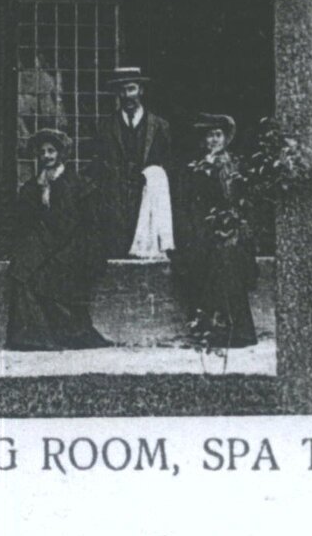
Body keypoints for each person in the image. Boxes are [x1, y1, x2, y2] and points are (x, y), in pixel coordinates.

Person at [5, 128, 111, 351]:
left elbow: (87, 225)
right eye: (42, 152)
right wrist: (39, 191)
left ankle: (72, 333)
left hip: (72, 246)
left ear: (61, 154)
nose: (47, 156)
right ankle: (31, 337)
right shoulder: (33, 185)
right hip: (46, 243)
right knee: (21, 270)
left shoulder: (78, 184)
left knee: (48, 274)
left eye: (51, 151)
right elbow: (25, 220)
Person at [171, 113, 258, 349]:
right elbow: (185, 202)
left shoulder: (234, 165)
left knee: (226, 264)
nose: (214, 140)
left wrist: (233, 227)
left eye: (218, 135)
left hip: (230, 232)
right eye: (209, 136)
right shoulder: (193, 168)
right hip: (201, 231)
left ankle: (236, 330)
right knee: (195, 262)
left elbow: (241, 202)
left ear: (226, 138)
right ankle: (205, 328)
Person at [98, 66, 176, 258]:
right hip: (116, 203)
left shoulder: (160, 126)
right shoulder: (105, 126)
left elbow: (169, 166)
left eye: (131, 89)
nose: (126, 95)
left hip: (149, 201)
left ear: (141, 90)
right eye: (121, 90)